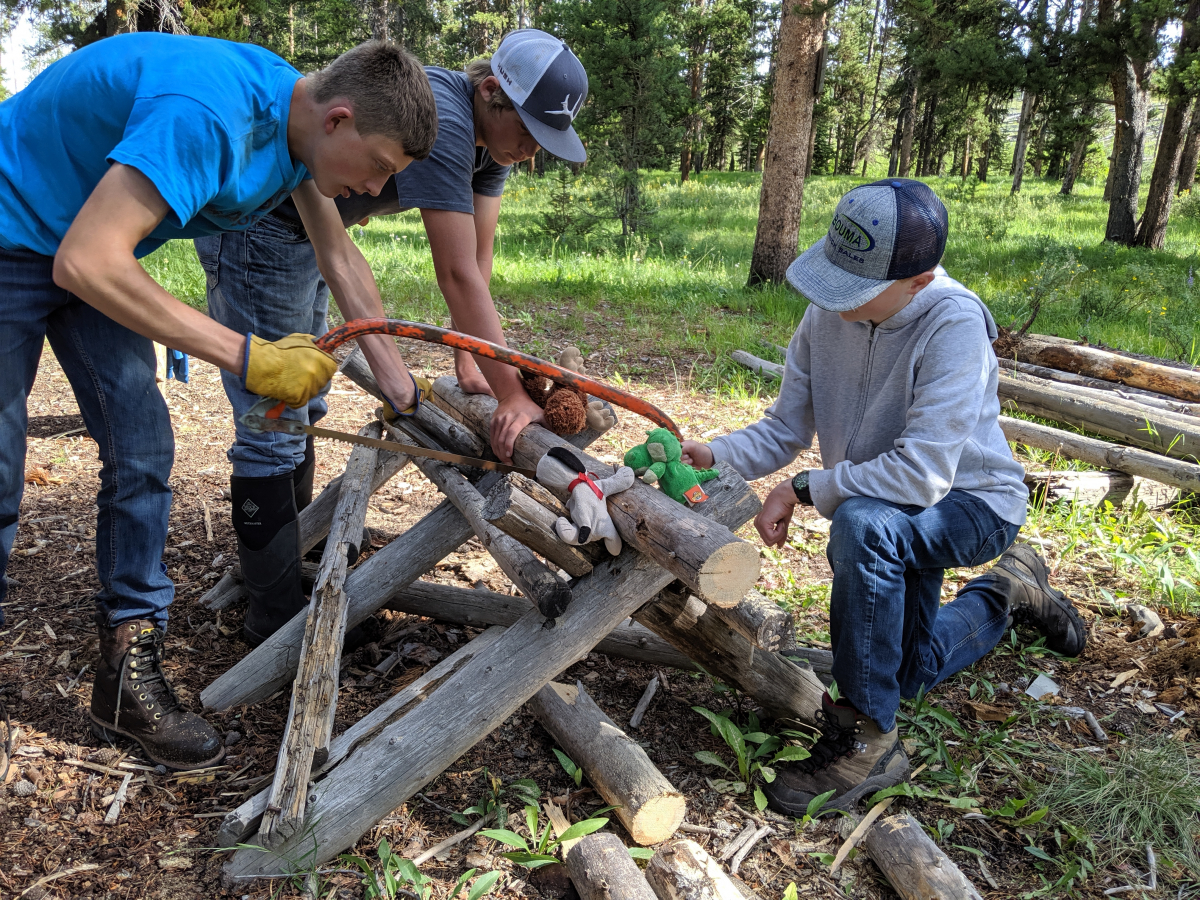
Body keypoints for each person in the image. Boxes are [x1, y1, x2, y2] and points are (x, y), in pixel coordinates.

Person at [0, 33, 437, 769]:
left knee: (142, 452)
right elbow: (85, 260)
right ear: (338, 119)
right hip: (15, 234)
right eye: (379, 168)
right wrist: (249, 355)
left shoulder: (297, 129)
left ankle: (126, 675)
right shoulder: (210, 115)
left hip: (85, 248)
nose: (373, 191)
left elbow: (340, 256)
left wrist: (402, 389)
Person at [682, 179, 1086, 817]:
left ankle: (869, 735)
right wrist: (716, 452)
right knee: (910, 671)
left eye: (858, 287)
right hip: (891, 505)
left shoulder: (953, 323)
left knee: (864, 525)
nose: (836, 298)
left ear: (918, 280)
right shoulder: (826, 313)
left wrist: (804, 488)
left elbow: (923, 475)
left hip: (972, 504)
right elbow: (788, 428)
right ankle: (1008, 592)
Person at [196, 28, 589, 647]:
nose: (533, 152)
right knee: (275, 411)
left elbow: (477, 263)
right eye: (532, 134)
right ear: (493, 92)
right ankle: (274, 617)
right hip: (261, 228)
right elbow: (454, 272)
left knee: (308, 403)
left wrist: (473, 361)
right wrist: (511, 394)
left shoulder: (494, 147)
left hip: (313, 232)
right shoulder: (449, 118)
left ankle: (287, 569)